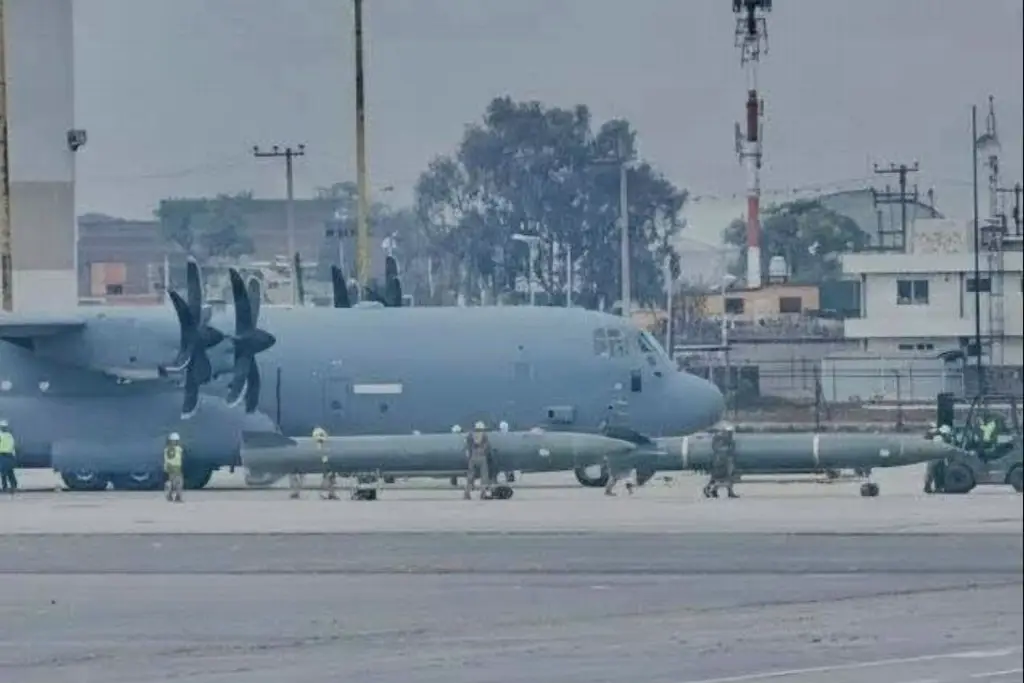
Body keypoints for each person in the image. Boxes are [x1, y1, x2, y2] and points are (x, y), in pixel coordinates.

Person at [705, 423, 739, 499]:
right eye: (730, 432)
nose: (731, 433)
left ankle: (728, 492)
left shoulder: (728, 439)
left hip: (726, 460)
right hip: (721, 460)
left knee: (728, 477)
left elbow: (731, 449)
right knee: (718, 477)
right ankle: (710, 489)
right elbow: (716, 448)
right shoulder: (719, 438)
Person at [464, 421, 493, 500]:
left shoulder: (470, 435)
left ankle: (467, 494)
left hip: (473, 457)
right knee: (484, 476)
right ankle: (483, 494)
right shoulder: (484, 435)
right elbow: (487, 447)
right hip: (482, 457)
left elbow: (468, 446)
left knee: (470, 476)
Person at [163, 433, 184, 503]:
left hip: (173, 468)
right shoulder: (176, 449)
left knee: (173, 483)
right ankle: (177, 497)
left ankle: (170, 496)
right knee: (178, 483)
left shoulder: (168, 449)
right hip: (174, 468)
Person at [0, 420, 17, 495]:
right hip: (2, 455)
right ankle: (6, 487)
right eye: (3, 427)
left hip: (8, 455)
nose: (4, 428)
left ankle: (12, 486)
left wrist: (13, 455)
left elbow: (12, 446)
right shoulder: (7, 435)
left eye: (5, 427)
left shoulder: (9, 435)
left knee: (9, 471)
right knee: (4, 472)